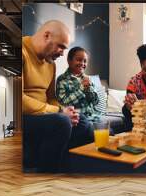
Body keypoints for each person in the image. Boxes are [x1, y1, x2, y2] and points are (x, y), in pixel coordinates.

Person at [22, 20, 94, 173]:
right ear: (46, 36)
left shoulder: (50, 63)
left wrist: (65, 110)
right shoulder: (21, 51)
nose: (62, 53)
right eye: (61, 46)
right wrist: (58, 111)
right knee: (62, 121)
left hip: (44, 115)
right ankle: (47, 172)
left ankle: (71, 168)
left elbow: (51, 97)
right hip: (24, 116)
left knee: (84, 123)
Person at [56, 47, 102, 122]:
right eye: (79, 60)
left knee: (110, 131)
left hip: (93, 116)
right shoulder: (62, 79)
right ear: (69, 61)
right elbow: (63, 103)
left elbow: (95, 102)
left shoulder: (87, 78)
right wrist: (81, 89)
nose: (82, 64)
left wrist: (88, 89)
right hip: (77, 117)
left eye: (85, 61)